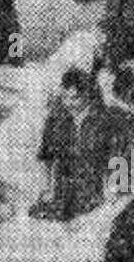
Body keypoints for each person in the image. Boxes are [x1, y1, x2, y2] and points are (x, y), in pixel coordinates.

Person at [34, 68, 127, 221]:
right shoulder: (55, 121)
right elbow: (46, 158)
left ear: (86, 95)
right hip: (63, 192)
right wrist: (47, 188)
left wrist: (111, 187)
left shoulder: (105, 121)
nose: (68, 103)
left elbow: (116, 157)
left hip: (94, 191)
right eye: (65, 97)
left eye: (74, 98)